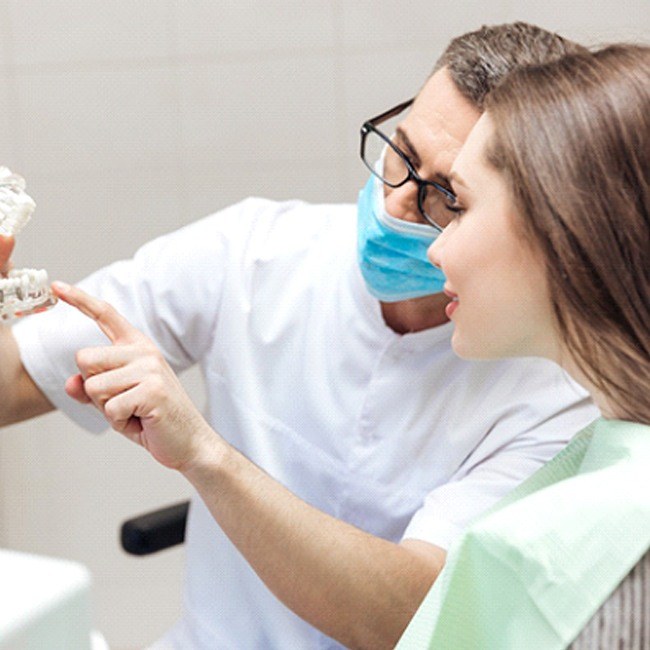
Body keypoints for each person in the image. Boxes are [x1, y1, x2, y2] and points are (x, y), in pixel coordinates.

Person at [0, 23, 598, 650]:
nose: (396, 204)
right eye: (401, 153)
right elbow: (16, 378)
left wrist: (205, 456)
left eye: (445, 196)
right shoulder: (254, 252)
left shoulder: (554, 393)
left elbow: (414, 619)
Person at [396, 43, 650, 649]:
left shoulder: (601, 554)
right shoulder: (608, 444)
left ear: (563, 227)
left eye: (457, 204)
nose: (435, 249)